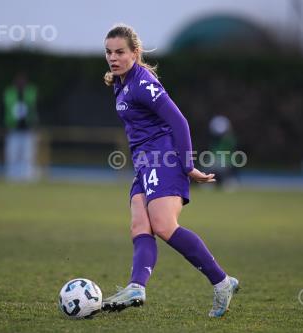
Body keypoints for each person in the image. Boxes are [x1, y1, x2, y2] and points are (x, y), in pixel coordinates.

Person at [101, 24, 239, 318]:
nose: (113, 57)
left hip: (163, 159)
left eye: (120, 52)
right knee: (140, 227)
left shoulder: (142, 83)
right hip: (144, 164)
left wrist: (187, 165)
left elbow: (180, 122)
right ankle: (137, 287)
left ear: (135, 53)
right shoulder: (120, 82)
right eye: (109, 52)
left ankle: (222, 282)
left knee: (163, 226)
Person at [3, 73, 39, 182]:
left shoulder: (30, 93)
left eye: (22, 81)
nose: (20, 83)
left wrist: (34, 125)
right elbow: (8, 110)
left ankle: (27, 176)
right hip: (14, 129)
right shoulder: (10, 93)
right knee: (13, 154)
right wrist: (7, 125)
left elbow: (33, 108)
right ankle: (12, 176)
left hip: (27, 130)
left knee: (27, 155)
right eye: (18, 81)